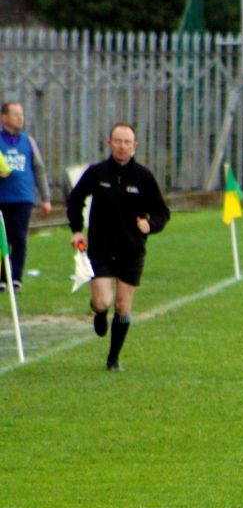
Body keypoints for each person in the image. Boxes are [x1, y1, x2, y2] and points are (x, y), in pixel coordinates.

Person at [66, 123, 169, 371]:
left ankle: (113, 359)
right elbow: (75, 200)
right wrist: (77, 229)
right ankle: (99, 313)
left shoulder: (144, 177)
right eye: (118, 141)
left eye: (127, 142)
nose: (122, 146)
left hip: (132, 250)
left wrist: (150, 224)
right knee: (103, 301)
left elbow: (162, 212)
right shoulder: (97, 172)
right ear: (109, 142)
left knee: (123, 304)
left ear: (135, 146)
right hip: (100, 248)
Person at [0, 101, 54, 293]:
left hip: (23, 197)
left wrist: (46, 198)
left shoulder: (27, 141)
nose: (20, 118)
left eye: (21, 114)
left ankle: (16, 278)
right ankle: (2, 278)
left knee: (19, 237)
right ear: (4, 117)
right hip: (2, 198)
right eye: (15, 114)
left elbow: (39, 169)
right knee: (2, 238)